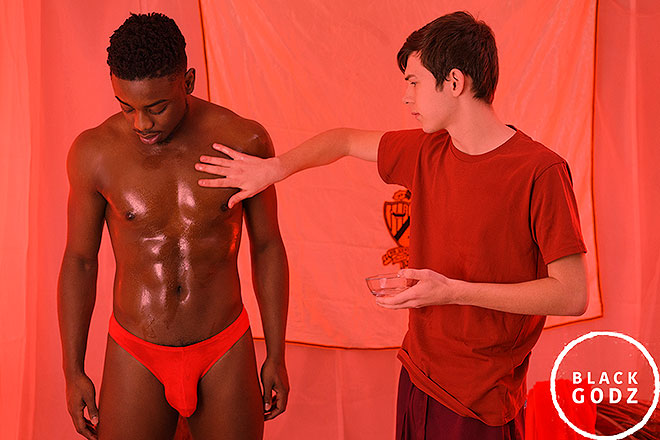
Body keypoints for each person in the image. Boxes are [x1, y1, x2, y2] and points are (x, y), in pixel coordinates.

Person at [195, 11, 588, 440]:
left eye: (414, 82)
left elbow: (570, 295)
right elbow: (343, 140)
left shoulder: (540, 171)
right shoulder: (426, 149)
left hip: (481, 399)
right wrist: (273, 169)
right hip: (418, 377)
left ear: (454, 82)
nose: (406, 97)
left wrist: (453, 291)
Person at [58, 12, 289, 440]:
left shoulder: (244, 141)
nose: (141, 124)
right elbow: (80, 260)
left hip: (223, 345)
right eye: (126, 107)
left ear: (189, 81)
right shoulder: (94, 153)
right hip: (135, 350)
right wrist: (72, 370)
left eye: (156, 108)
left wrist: (276, 352)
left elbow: (268, 246)